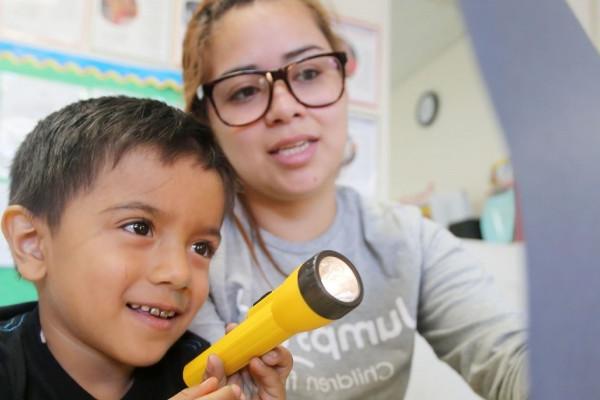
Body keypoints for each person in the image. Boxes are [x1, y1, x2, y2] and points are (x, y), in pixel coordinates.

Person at [181, 0, 529, 399]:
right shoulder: (193, 256)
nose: (285, 107)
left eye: (309, 72)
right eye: (244, 90)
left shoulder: (410, 240)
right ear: (205, 118)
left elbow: (509, 356)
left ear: (343, 79)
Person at [0, 96, 292, 400]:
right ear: (31, 243)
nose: (178, 273)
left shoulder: (203, 371)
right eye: (139, 227)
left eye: (201, 247)